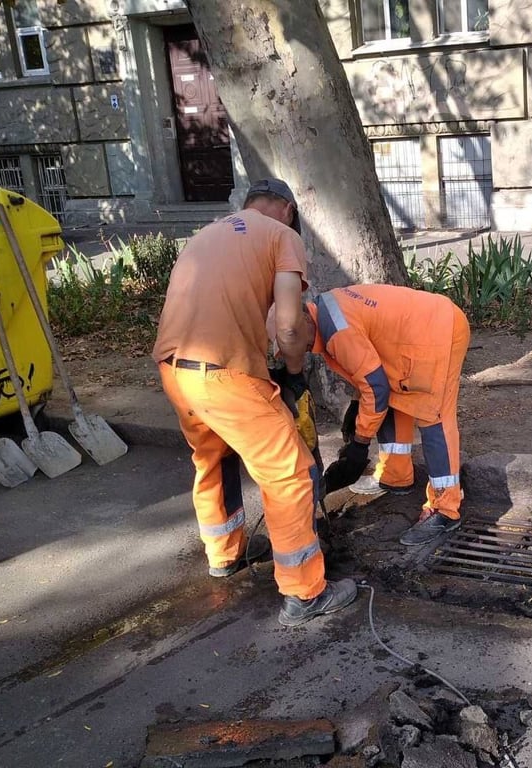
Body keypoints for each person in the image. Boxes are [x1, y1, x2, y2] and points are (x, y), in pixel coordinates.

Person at [151, 177, 357, 627]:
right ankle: (304, 593)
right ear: (286, 209)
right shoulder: (283, 236)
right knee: (291, 473)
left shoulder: (207, 234)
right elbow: (286, 326)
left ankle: (225, 554)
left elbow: (235, 307)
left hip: (174, 371)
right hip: (223, 376)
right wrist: (294, 371)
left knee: (213, 459)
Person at [308, 284, 470, 546]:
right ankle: (395, 475)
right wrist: (355, 403)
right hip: (414, 334)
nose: (301, 352)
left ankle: (445, 509)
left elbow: (375, 386)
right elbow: (367, 364)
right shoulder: (326, 311)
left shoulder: (338, 333)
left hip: (438, 333)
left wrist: (359, 444)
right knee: (393, 399)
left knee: (434, 417)